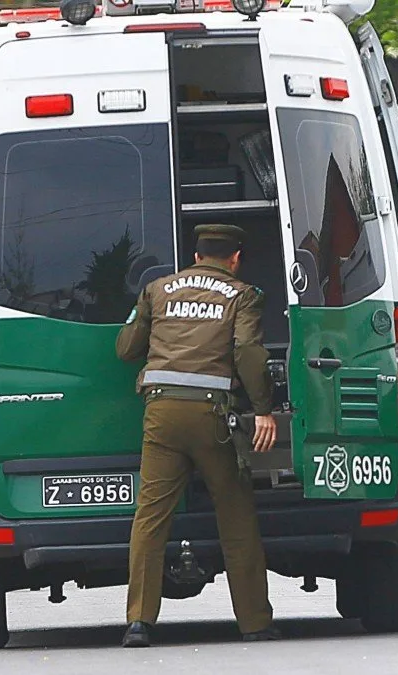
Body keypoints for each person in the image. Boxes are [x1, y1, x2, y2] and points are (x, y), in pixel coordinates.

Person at [116, 224, 280, 648]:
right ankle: (254, 622)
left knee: (151, 518)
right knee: (236, 514)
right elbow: (247, 352)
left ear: (196, 256)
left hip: (162, 414)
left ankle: (138, 622)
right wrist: (263, 409)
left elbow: (126, 347)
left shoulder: (157, 289)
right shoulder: (242, 294)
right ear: (235, 258)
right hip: (213, 417)